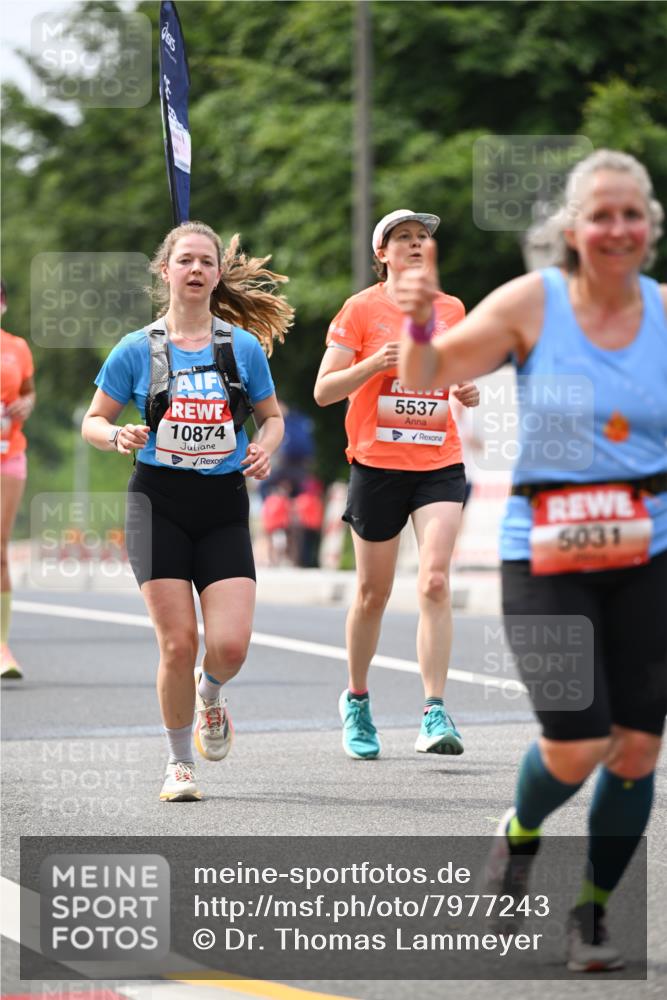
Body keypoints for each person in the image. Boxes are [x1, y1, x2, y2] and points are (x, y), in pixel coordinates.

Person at [398, 150, 666, 971]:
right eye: (600, 215)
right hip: (546, 554)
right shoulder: (530, 304)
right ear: (572, 231)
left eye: (631, 214)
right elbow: (429, 374)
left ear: (648, 228)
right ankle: (517, 838)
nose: (615, 229)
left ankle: (588, 914)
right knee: (576, 744)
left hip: (648, 552)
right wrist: (416, 323)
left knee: (634, 748)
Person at [82, 221, 293, 802]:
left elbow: (272, 419)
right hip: (157, 503)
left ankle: (211, 696)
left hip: (222, 504)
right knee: (177, 643)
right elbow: (92, 420)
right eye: (185, 261)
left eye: (206, 261)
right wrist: (116, 437)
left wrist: (263, 448)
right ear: (166, 271)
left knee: (228, 646)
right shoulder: (136, 348)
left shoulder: (240, 348)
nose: (196, 269)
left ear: (217, 274)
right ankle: (178, 764)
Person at [314, 209, 479, 760]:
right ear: (381, 253)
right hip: (377, 466)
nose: (415, 244)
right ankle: (357, 699)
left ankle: (434, 710)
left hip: (439, 462)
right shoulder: (361, 309)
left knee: (434, 581)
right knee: (372, 593)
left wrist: (465, 388)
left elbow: (454, 372)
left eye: (422, 238)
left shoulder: (451, 309)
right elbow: (323, 391)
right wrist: (372, 366)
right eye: (402, 238)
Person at [1, 280, 36, 680]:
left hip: (8, 454)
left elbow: (28, 392)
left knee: (0, 549)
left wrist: (28, 402)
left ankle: (2, 647)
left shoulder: (17, 348)